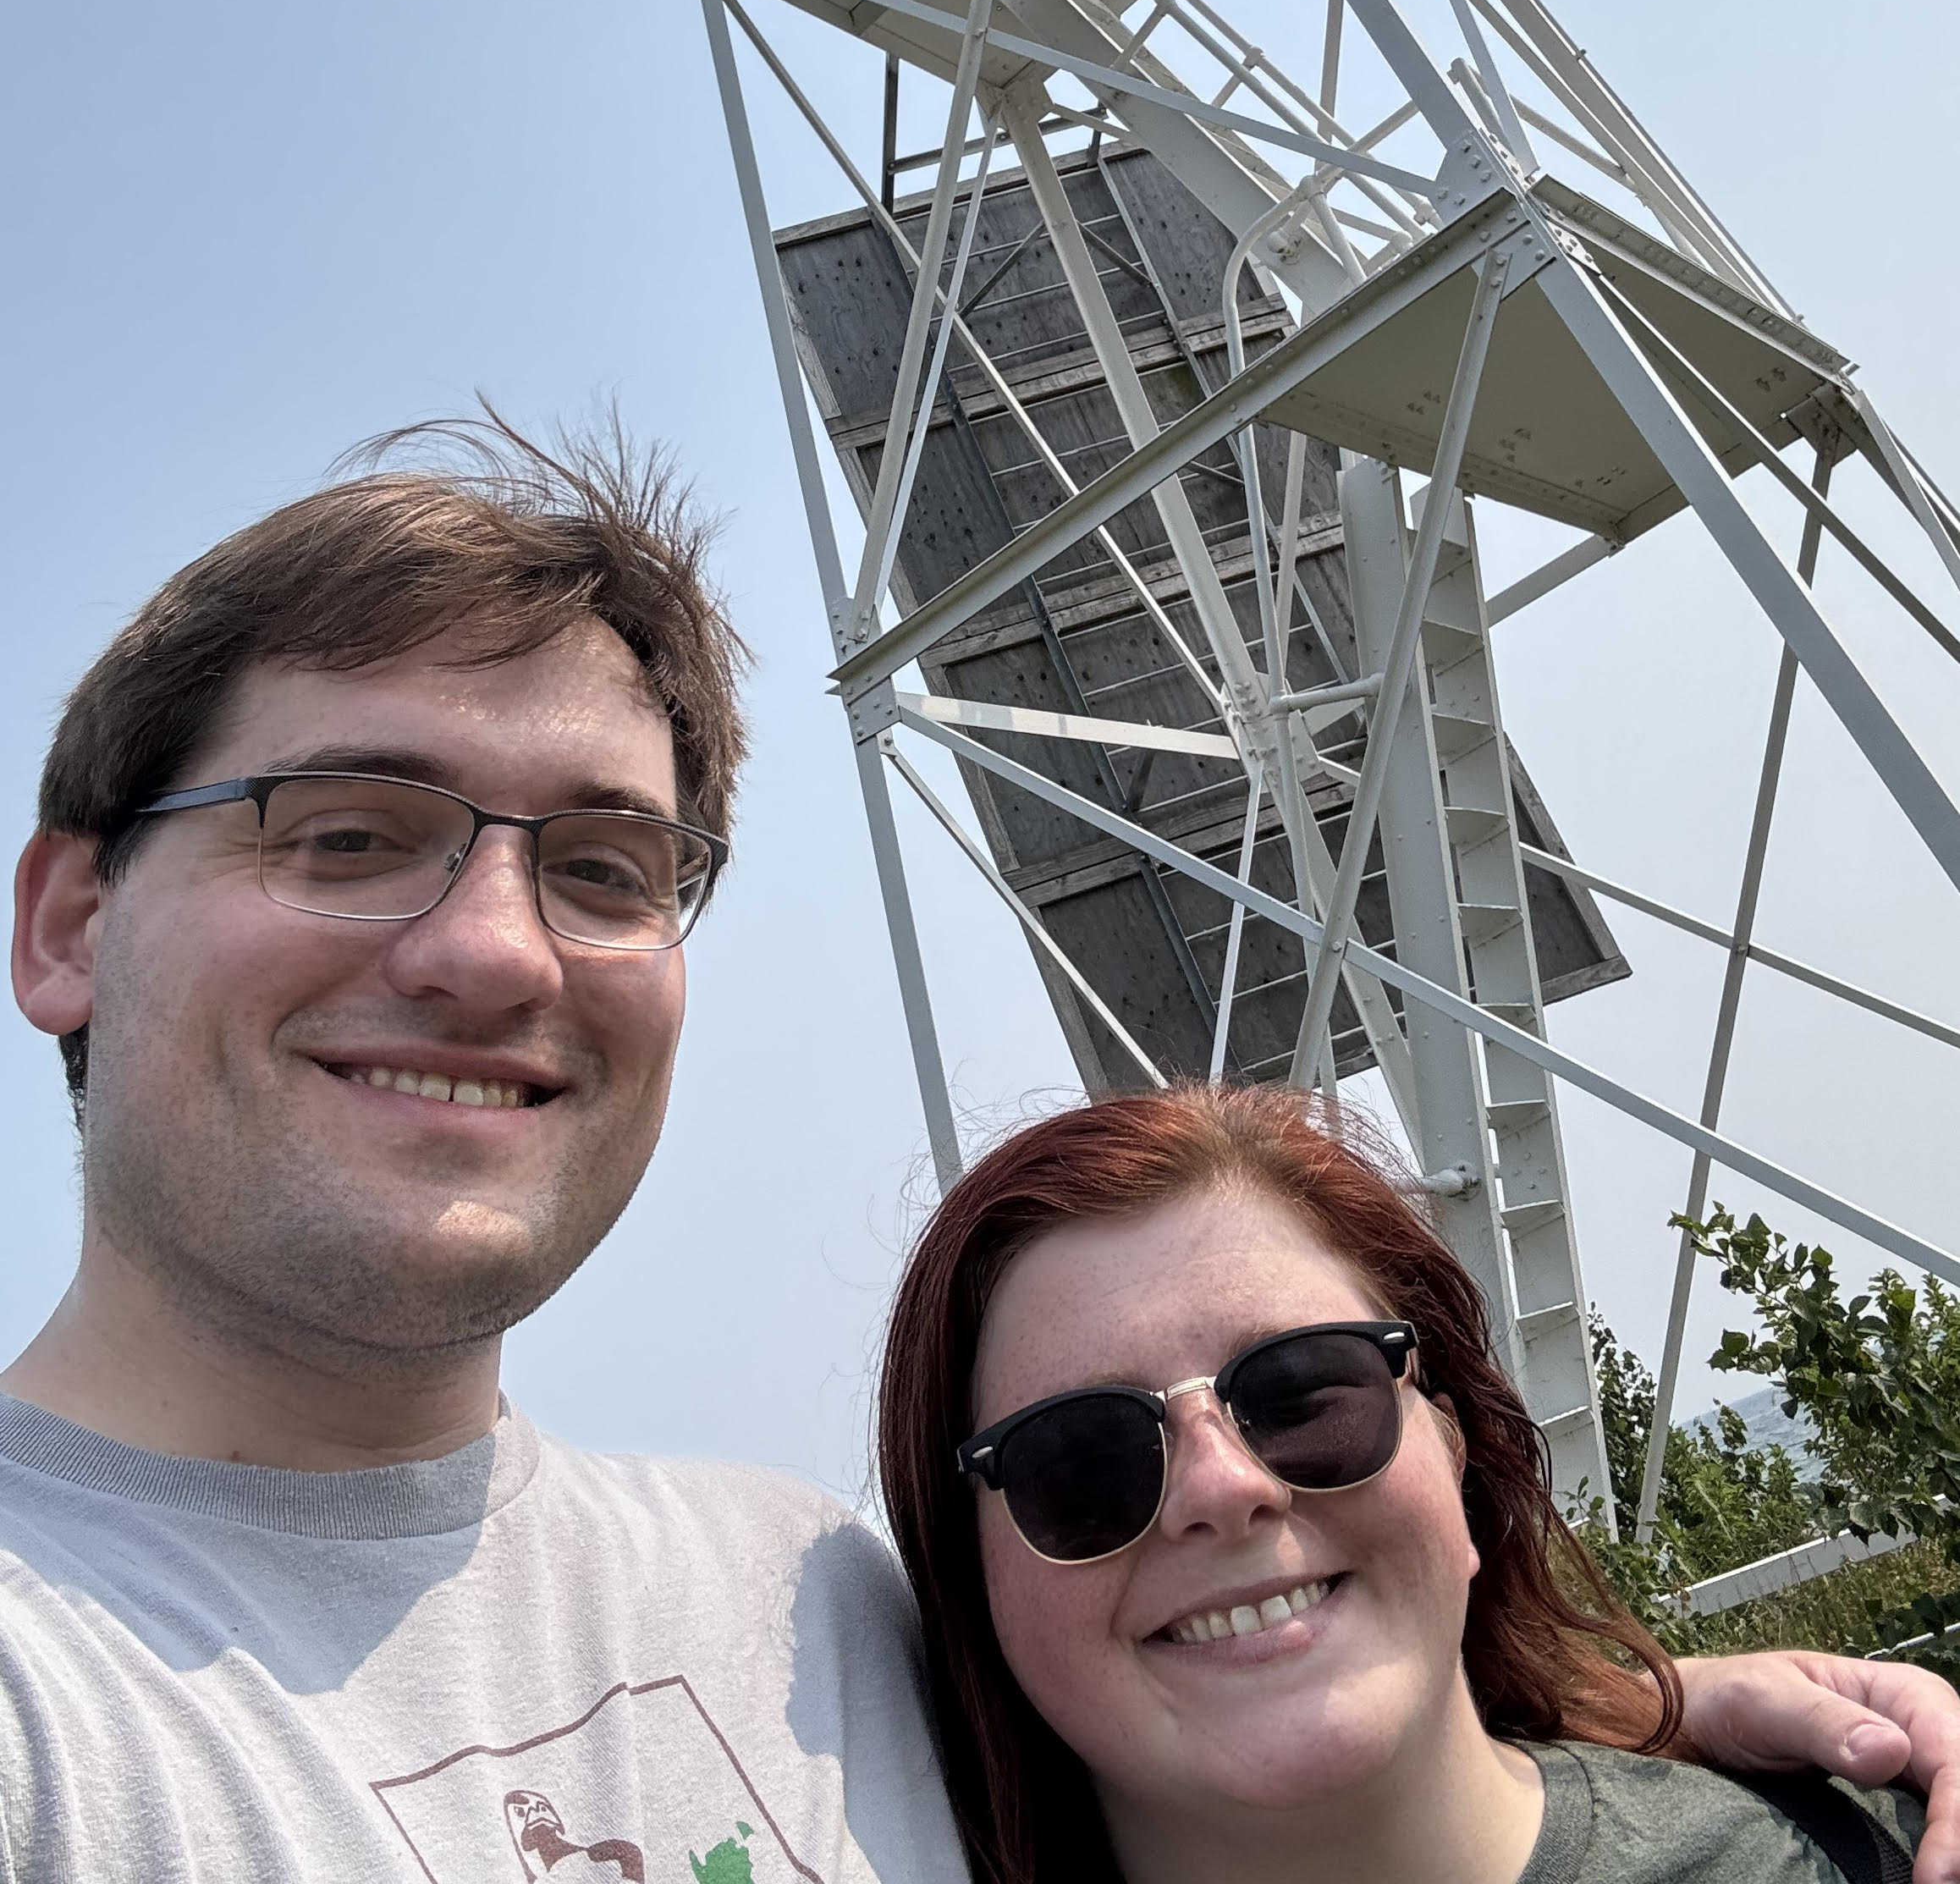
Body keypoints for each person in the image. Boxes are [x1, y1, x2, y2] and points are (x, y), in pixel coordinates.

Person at [1, 423, 1955, 1881]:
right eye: (343, 828)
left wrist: (1670, 1738)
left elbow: (1255, 1712)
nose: (494, 948)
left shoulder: (801, 1603)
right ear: (71, 923)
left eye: (604, 867)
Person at [878, 1083, 1940, 1884]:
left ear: (1456, 1446)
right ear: (970, 1585)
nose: (1221, 1485)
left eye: (1303, 1392)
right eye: (1079, 1459)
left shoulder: (1862, 1849)